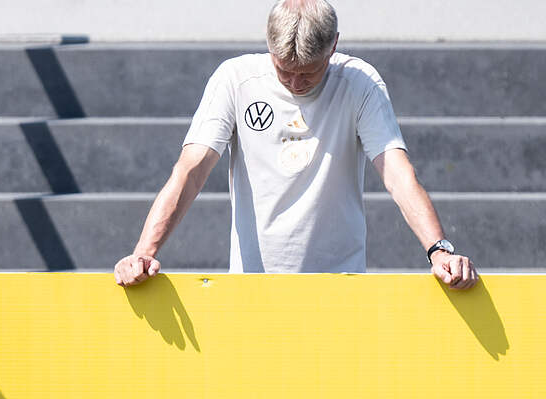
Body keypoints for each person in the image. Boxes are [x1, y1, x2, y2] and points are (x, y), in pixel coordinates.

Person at [115, 0, 478, 289]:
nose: (294, 81)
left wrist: (438, 250)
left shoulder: (359, 83)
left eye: (308, 71)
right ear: (267, 44)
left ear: (334, 45)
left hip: (341, 284)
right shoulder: (235, 79)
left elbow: (397, 173)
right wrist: (144, 253)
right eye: (283, 68)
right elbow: (191, 170)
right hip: (251, 286)